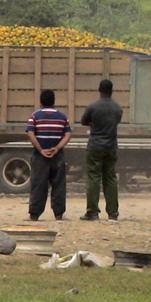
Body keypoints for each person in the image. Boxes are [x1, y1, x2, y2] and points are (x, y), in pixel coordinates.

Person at [80, 79, 123, 220]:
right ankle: (113, 212)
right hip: (111, 146)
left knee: (94, 177)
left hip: (95, 145)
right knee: (110, 178)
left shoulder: (93, 107)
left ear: (99, 90)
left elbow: (84, 121)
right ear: (112, 91)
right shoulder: (117, 108)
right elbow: (116, 121)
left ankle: (92, 212)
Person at [26, 89, 71, 221]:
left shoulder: (34, 116)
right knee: (59, 185)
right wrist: (57, 148)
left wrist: (40, 149)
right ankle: (58, 214)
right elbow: (68, 134)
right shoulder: (63, 117)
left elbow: (30, 133)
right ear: (54, 101)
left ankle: (34, 214)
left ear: (40, 101)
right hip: (57, 156)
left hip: (40, 156)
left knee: (38, 184)